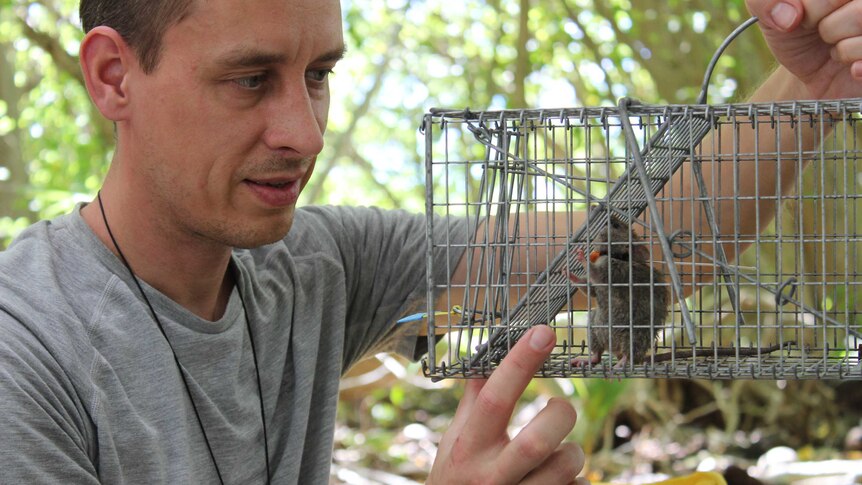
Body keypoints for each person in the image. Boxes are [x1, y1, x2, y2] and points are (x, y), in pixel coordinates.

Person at [0, 0, 857, 483]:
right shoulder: (25, 348)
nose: (303, 129)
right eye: (250, 79)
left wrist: (813, 84)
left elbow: (652, 246)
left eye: (319, 76)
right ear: (114, 75)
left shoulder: (318, 266)